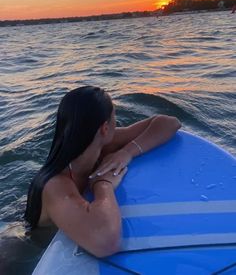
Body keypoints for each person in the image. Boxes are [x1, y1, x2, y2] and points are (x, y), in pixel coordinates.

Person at [24, 86, 181, 257]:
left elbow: (170, 123)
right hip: (26, 246)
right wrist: (103, 184)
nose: (117, 122)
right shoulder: (56, 185)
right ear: (105, 129)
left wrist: (126, 153)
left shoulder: (102, 146)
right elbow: (106, 243)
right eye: (115, 115)